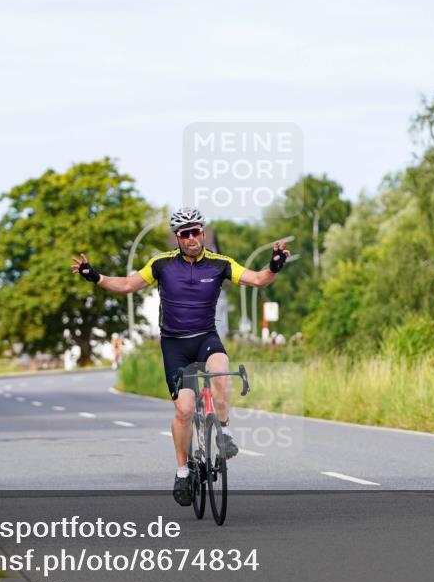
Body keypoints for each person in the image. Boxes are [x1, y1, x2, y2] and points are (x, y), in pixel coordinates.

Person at [71, 207, 291, 506]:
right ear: (177, 238)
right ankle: (183, 470)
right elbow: (126, 285)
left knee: (221, 375)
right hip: (174, 344)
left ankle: (223, 432)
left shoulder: (220, 264)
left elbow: (258, 280)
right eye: (185, 234)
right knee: (184, 411)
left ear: (202, 232)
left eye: (196, 231)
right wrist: (95, 276)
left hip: (206, 338)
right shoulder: (161, 264)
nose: (191, 238)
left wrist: (274, 266)